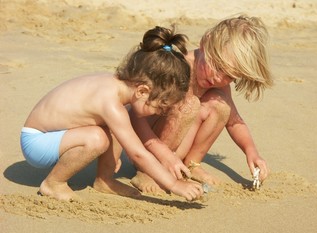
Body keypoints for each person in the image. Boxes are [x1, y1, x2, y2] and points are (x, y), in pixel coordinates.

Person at [20, 26, 204, 201]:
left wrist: (168, 157)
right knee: (97, 138)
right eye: (158, 106)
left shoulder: (117, 88)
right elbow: (139, 154)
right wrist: (174, 185)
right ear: (142, 91)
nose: (159, 112)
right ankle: (54, 183)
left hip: (58, 135)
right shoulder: (110, 103)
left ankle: (104, 180)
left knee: (117, 124)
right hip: (37, 141)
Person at [130, 15, 273, 194]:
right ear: (206, 43)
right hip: (147, 145)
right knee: (190, 103)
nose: (219, 78)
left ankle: (191, 164)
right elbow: (135, 116)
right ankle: (149, 171)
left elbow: (234, 121)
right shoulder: (177, 69)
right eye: (218, 66)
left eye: (229, 76)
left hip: (172, 153)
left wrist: (251, 151)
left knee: (221, 106)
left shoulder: (219, 83)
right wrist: (157, 153)